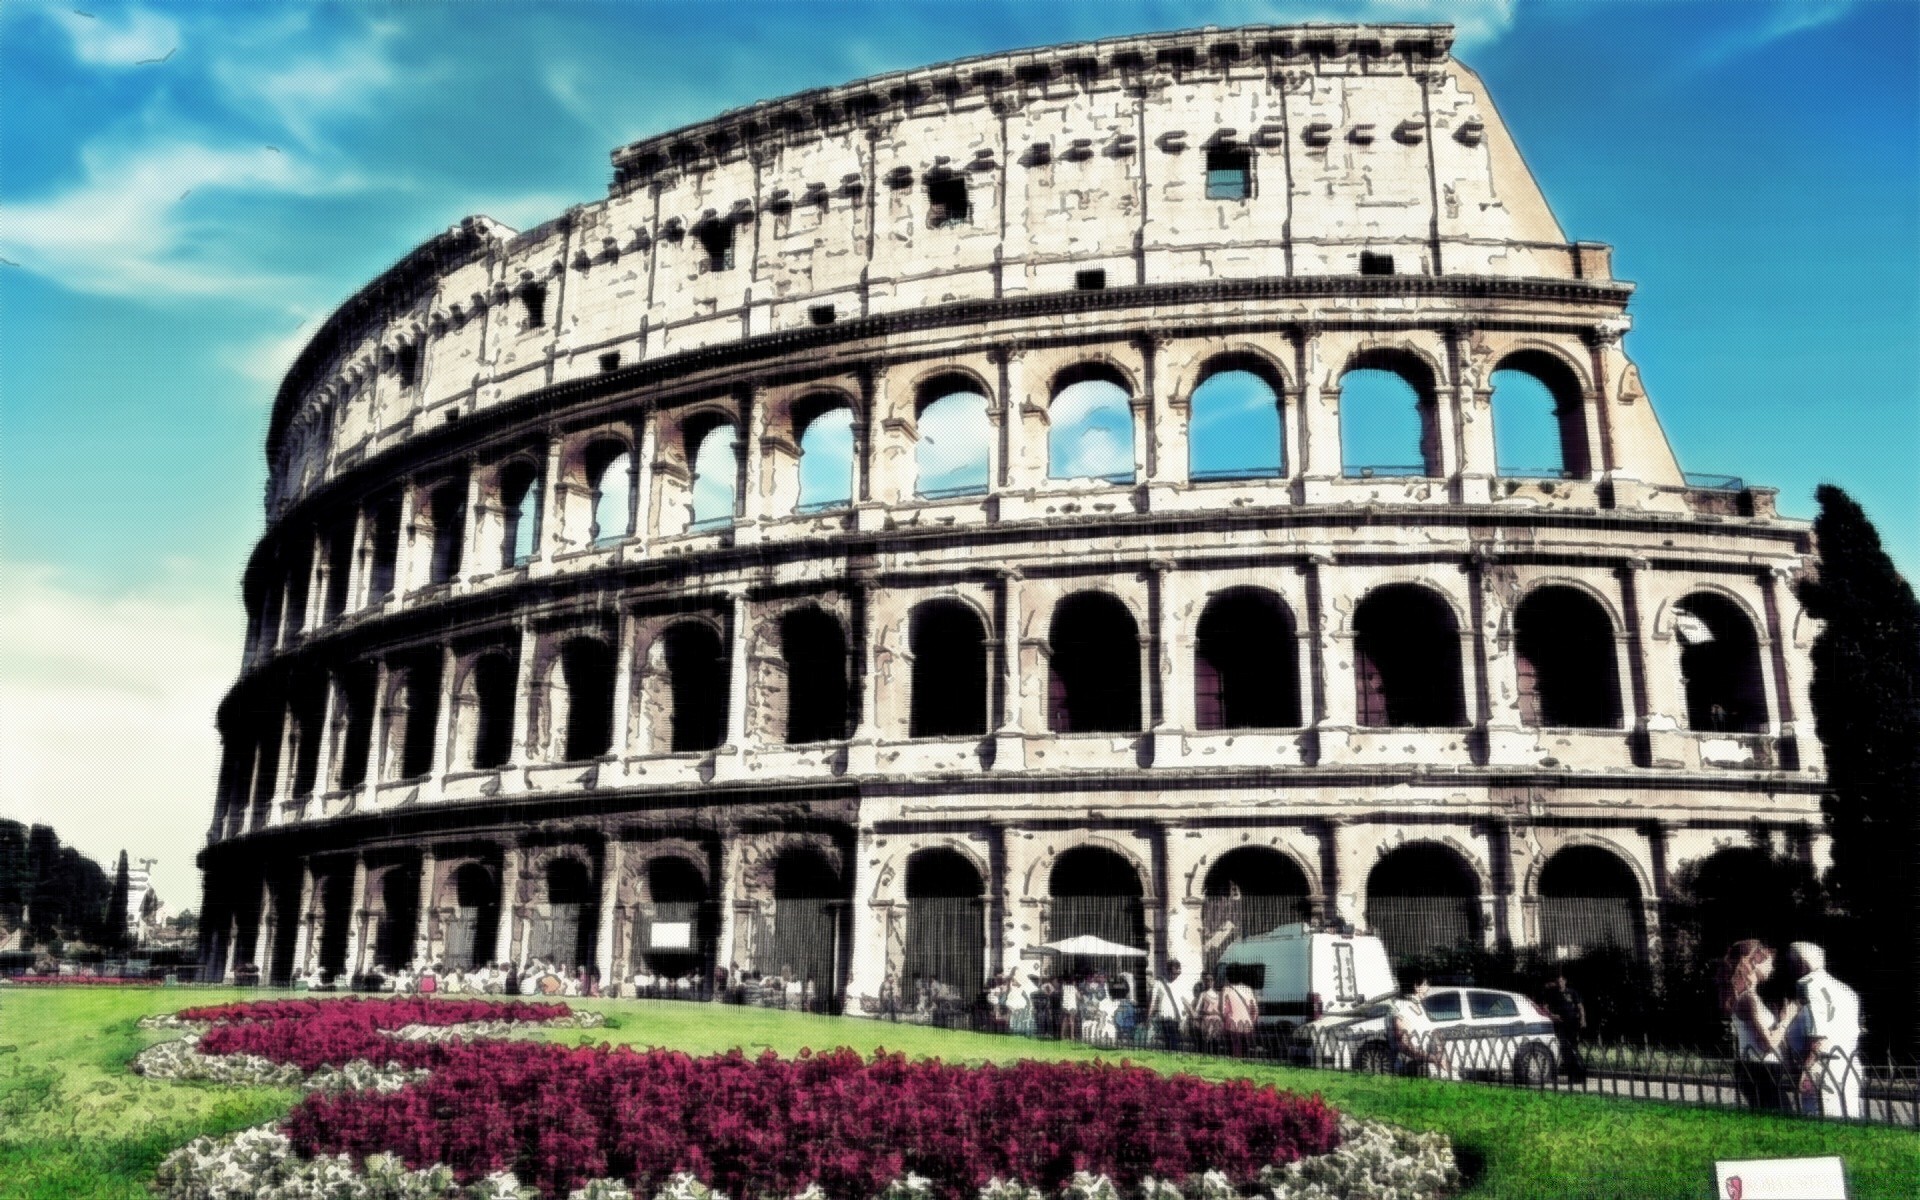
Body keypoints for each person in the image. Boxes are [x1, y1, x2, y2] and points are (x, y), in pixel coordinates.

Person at [1715, 940, 1798, 1111]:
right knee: (1782, 1121)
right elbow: (1767, 1044)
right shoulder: (1748, 999)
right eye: (1768, 961)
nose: (1772, 966)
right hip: (1759, 1071)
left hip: (1760, 1069)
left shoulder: (1750, 997)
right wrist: (1786, 1020)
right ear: (1754, 962)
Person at [1785, 942, 1863, 1118]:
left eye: (1791, 962)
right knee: (1848, 1121)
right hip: (1848, 1062)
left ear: (1802, 963)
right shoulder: (1846, 990)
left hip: (1822, 1066)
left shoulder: (1809, 985)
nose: (1789, 967)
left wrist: (1807, 1070)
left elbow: (1818, 1035)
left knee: (1821, 1123)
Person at [1388, 979, 1451, 1078]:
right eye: (1425, 984)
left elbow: (1431, 1031)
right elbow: (1404, 1045)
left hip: (1428, 1064)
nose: (1428, 988)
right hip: (1413, 1068)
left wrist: (1439, 1052)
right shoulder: (1401, 1010)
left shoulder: (1418, 1005)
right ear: (1416, 986)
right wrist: (1432, 1058)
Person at [1541, 971, 1588, 1085]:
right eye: (1558, 981)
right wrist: (1552, 1016)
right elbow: (1545, 1008)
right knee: (1565, 1049)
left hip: (1572, 1023)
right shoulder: (1552, 994)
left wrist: (1583, 1019)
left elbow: (1580, 1007)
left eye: (1562, 981)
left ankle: (1580, 1075)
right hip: (1560, 1024)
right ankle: (1571, 1076)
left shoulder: (1572, 992)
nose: (1560, 983)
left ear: (1565, 981)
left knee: (1574, 1048)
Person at [1148, 962, 1188, 1052]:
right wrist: (1148, 1017)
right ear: (1168, 971)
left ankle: (1173, 1061)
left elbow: (1184, 1000)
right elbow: (1153, 1002)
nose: (1175, 976)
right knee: (1171, 1042)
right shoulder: (1158, 983)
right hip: (1166, 1017)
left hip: (1178, 1019)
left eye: (1177, 973)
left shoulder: (1179, 984)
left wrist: (1190, 1013)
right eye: (1174, 973)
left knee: (1174, 1043)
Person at [1221, 972, 1259, 1057]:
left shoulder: (1226, 989)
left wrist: (1225, 1023)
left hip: (1233, 1027)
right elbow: (1254, 1009)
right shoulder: (1248, 990)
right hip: (1247, 1027)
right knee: (1245, 1054)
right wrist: (1252, 1022)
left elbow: (1223, 1010)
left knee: (1234, 1054)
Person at [1193, 977, 1224, 1054]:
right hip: (1206, 1019)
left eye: (1211, 980)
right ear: (1205, 982)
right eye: (1207, 980)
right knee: (1207, 1043)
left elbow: (1222, 1008)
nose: (1209, 982)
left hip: (1217, 1020)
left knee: (1216, 1042)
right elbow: (1197, 1009)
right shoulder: (1203, 994)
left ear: (1214, 981)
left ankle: (1215, 1059)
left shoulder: (1218, 994)